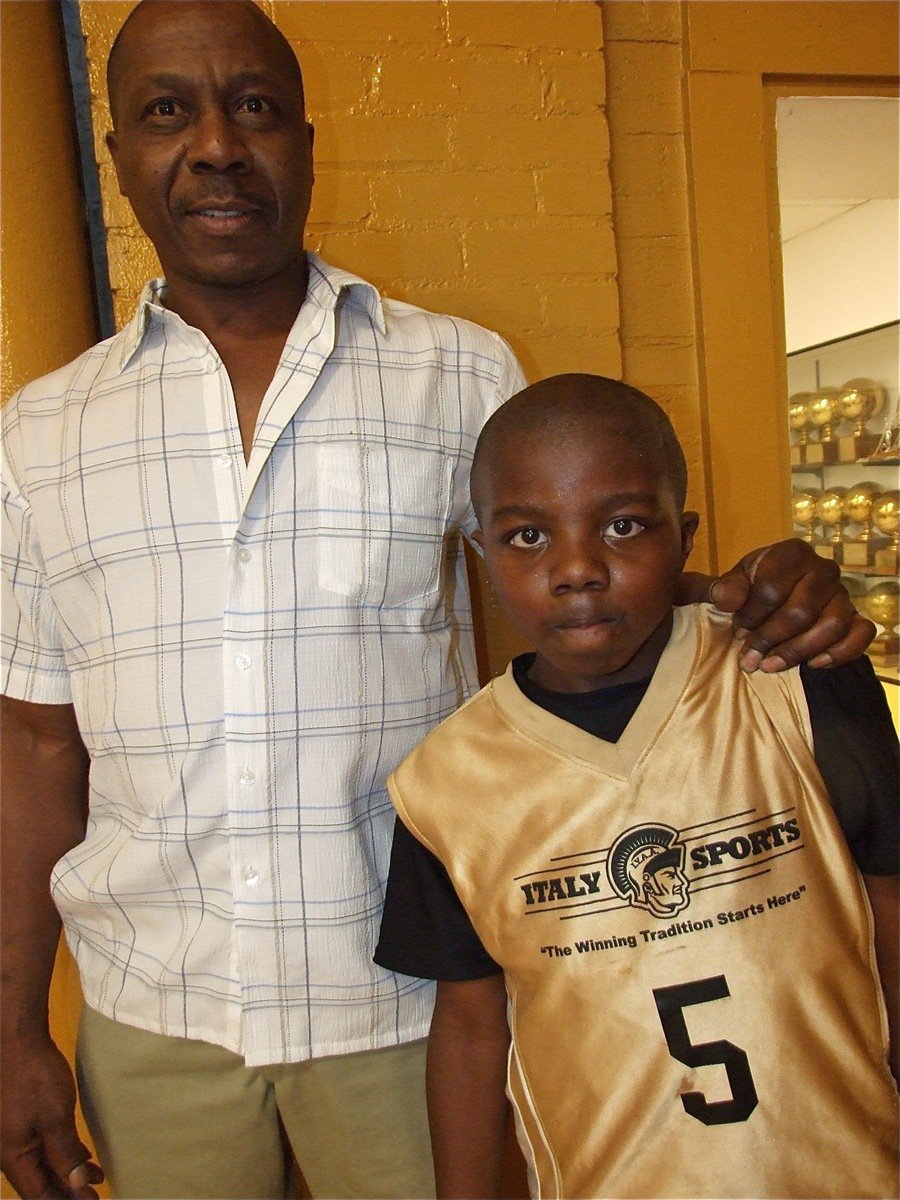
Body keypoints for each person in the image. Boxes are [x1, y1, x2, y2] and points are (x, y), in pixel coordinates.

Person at [0, 1, 877, 1196]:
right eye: (167, 112)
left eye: (253, 106)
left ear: (308, 141)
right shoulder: (39, 433)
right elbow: (38, 748)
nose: (214, 145)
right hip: (158, 1009)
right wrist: (8, 1032)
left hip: (416, 1004)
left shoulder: (457, 369)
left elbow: (582, 592)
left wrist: (770, 596)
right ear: (119, 156)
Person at [374, 375, 899, 1199]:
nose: (577, 569)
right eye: (526, 537)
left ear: (683, 536)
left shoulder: (794, 682)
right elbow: (473, 1033)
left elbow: (890, 924)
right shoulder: (445, 784)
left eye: (623, 526)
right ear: (480, 553)